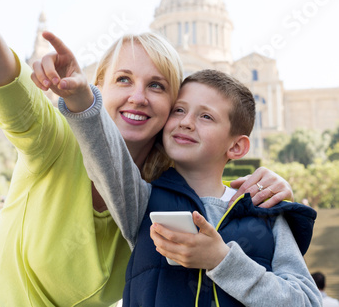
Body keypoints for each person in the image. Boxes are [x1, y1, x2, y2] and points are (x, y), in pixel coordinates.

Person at [0, 0, 294, 307]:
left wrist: (267, 187)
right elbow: (15, 97)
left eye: (157, 86)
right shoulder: (58, 140)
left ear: (173, 105)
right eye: (123, 79)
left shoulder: (163, 189)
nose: (138, 97)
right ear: (95, 88)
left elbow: (213, 187)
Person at [51, 63, 321, 305]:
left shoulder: (268, 212)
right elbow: (105, 156)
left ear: (237, 146)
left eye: (206, 116)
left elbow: (308, 302)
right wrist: (80, 99)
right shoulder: (141, 199)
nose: (186, 123)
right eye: (179, 110)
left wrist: (222, 261)